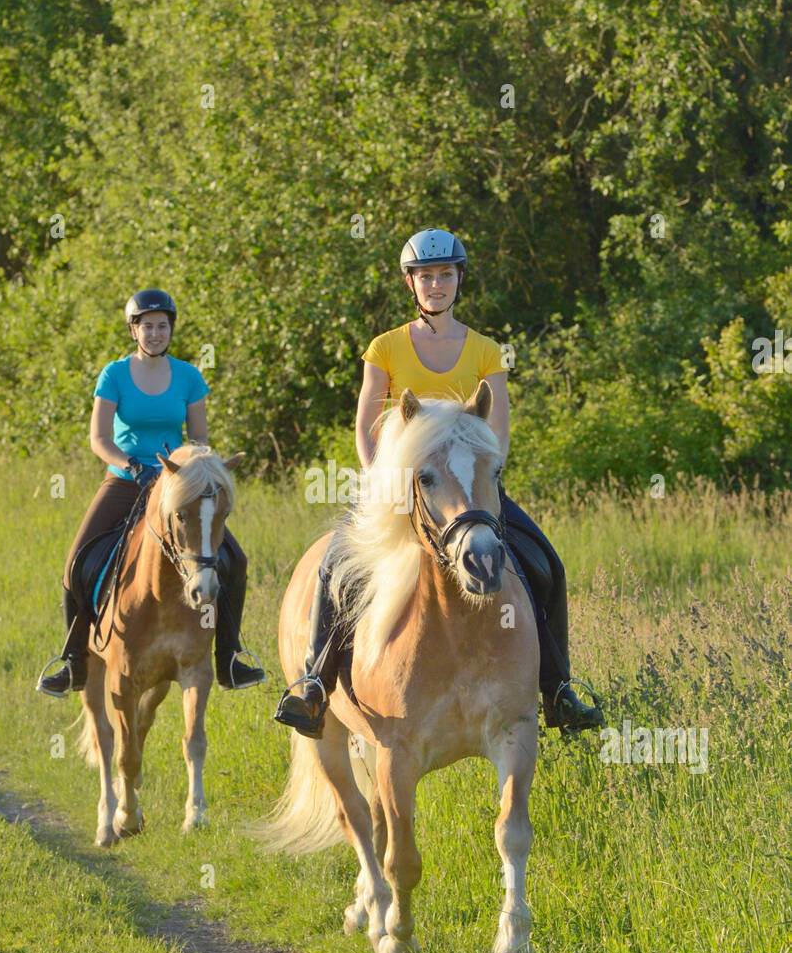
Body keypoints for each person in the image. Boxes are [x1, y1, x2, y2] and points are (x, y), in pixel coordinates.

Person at [274, 229, 603, 739]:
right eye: (426, 276)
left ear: (458, 280)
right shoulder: (385, 348)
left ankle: (557, 690)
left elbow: (496, 434)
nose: (436, 284)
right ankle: (315, 683)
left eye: (445, 274)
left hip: (469, 492)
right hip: (402, 491)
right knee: (336, 565)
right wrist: (384, 481)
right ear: (411, 283)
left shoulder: (487, 352)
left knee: (546, 565)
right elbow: (365, 429)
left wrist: (481, 484)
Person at [36, 289, 265, 697]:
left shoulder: (190, 377)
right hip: (126, 480)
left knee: (235, 560)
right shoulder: (114, 375)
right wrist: (132, 466)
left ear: (170, 329)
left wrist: (195, 469)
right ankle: (73, 660)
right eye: (148, 326)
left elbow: (199, 439)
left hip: (177, 486)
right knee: (76, 563)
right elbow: (99, 438)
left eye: (162, 326)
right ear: (134, 330)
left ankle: (229, 658)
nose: (156, 333)